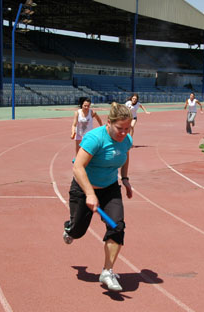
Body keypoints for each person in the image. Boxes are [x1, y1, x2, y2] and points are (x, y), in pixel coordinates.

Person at [63, 102, 133, 292]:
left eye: (128, 128)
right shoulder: (94, 138)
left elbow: (125, 155)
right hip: (83, 188)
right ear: (109, 123)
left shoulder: (126, 139)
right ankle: (69, 228)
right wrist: (90, 194)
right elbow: (77, 167)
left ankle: (107, 271)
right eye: (120, 128)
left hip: (110, 188)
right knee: (77, 231)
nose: (124, 133)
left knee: (117, 226)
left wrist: (125, 179)